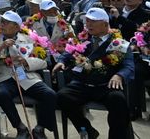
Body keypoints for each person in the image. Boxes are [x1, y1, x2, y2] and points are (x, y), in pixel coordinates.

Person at [54, 7, 134, 139]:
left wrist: (119, 75)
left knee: (118, 100)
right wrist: (61, 60)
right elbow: (70, 52)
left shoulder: (119, 43)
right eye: (87, 21)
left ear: (105, 24)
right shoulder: (84, 40)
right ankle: (88, 130)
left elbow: (129, 66)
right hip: (84, 84)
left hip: (106, 85)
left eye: (93, 21)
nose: (88, 25)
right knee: (62, 96)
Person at [0, 11, 57, 139]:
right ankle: (20, 128)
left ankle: (40, 128)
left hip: (26, 76)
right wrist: (0, 46)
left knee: (50, 94)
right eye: (2, 22)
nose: (2, 25)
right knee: (2, 94)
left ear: (17, 27)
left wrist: (26, 61)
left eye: (6, 22)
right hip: (6, 77)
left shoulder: (29, 38)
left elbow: (44, 62)